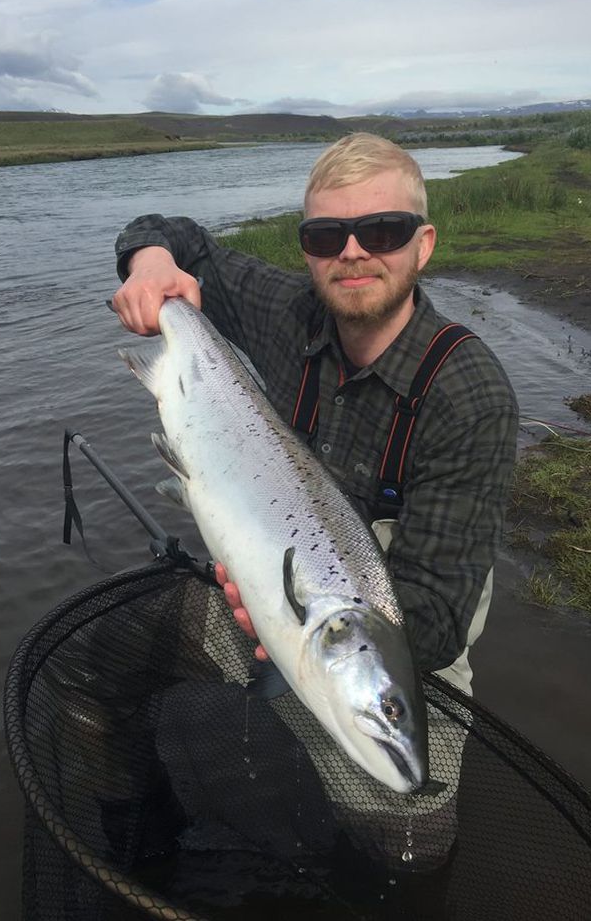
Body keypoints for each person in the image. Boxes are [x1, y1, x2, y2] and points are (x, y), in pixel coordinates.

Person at [111, 132, 519, 914]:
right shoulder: (287, 310)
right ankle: (128, 831)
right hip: (269, 599)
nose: (354, 253)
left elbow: (427, 625)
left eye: (384, 232)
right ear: (307, 249)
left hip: (383, 643)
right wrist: (151, 265)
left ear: (422, 243)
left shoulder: (468, 394)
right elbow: (170, 233)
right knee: (104, 661)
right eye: (326, 236)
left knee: (411, 849)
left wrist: (283, 621)